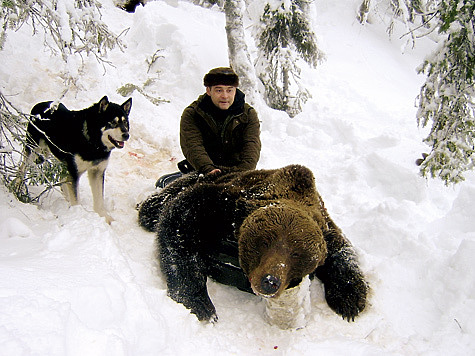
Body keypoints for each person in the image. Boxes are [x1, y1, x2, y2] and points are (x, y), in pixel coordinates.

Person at [156, 67, 261, 188]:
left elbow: (252, 146)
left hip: (237, 173)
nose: (225, 96)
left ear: (235, 91)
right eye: (219, 90)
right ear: (208, 91)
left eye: (229, 90)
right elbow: (193, 146)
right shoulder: (193, 114)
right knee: (162, 185)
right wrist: (208, 169)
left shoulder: (248, 114)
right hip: (202, 172)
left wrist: (242, 174)